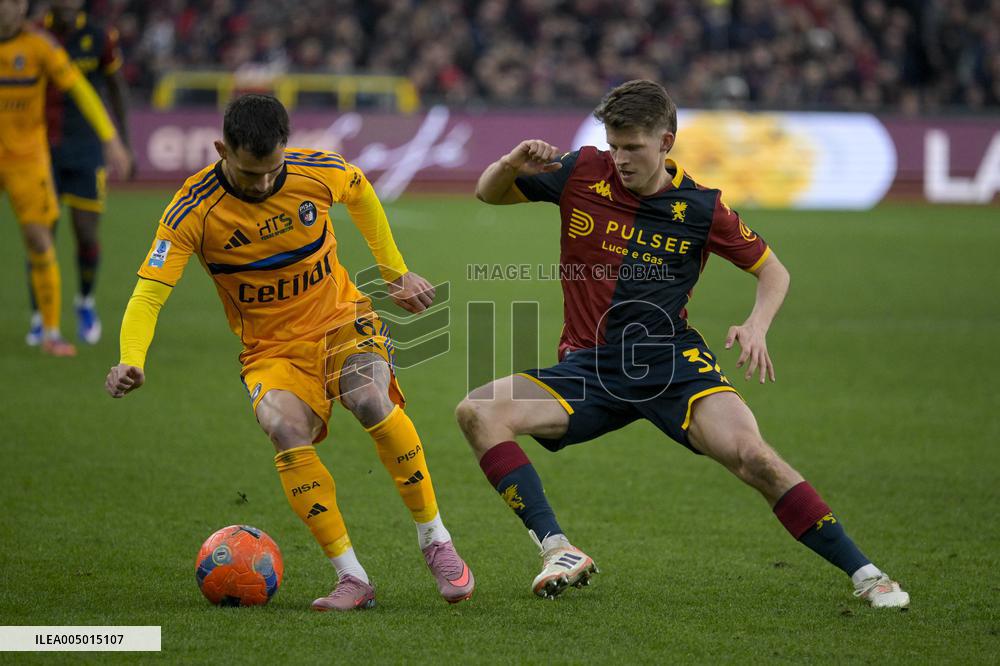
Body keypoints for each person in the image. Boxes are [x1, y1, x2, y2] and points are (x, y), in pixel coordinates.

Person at [457, 79, 909, 608]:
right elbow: (488, 191)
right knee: (477, 411)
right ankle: (557, 549)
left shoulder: (700, 209)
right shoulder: (582, 171)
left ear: (665, 142)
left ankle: (869, 575)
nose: (620, 159)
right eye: (614, 145)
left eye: (633, 148)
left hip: (669, 362)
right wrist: (511, 162)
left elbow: (773, 272)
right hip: (591, 367)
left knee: (754, 458)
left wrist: (757, 324)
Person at [104, 94, 474, 611]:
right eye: (248, 172)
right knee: (284, 428)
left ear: (286, 147)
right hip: (271, 349)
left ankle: (436, 541)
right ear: (220, 149)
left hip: (343, 321)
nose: (261, 184)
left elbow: (361, 189)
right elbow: (149, 291)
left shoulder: (315, 171)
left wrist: (395, 272)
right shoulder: (192, 210)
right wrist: (132, 357)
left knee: (369, 396)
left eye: (272, 169)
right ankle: (352, 577)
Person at [0, 0, 130, 356]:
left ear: (22, 6)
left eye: (12, 3)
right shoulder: (43, 33)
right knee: (46, 236)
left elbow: (84, 90)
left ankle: (60, 323)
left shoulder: (43, 44)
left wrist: (113, 138)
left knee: (47, 237)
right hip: (49, 147)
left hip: (33, 157)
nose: (6, 9)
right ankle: (41, 319)